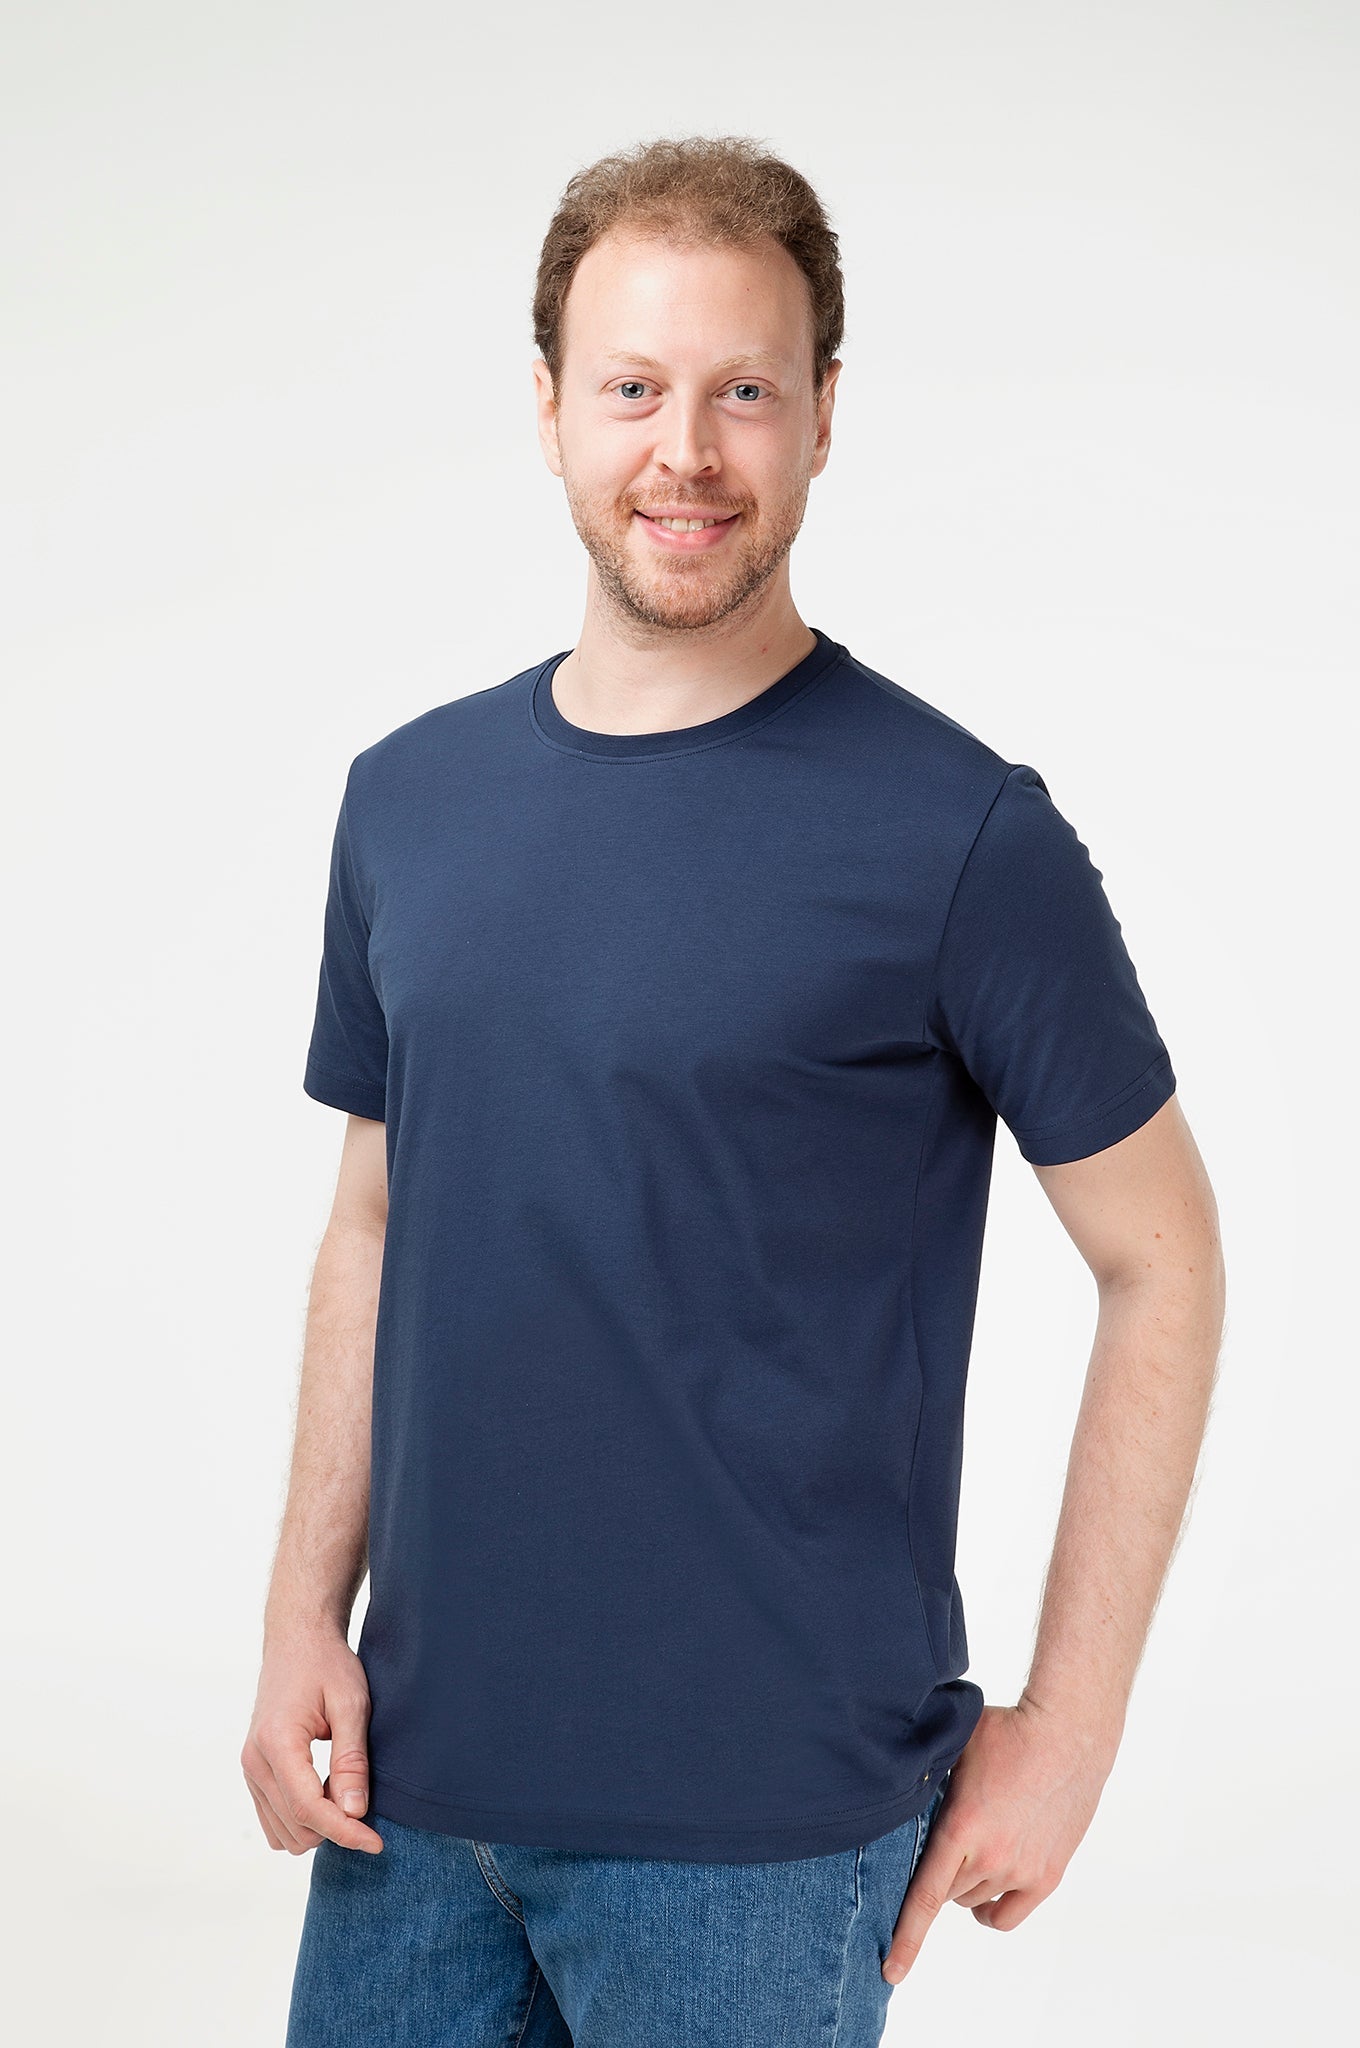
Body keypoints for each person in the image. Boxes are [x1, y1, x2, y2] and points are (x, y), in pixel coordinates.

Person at [244, 135, 1225, 2047]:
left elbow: (1163, 1260)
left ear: (823, 416)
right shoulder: (407, 802)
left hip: (762, 1846)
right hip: (408, 1803)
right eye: (631, 387)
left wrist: (1071, 1727)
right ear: (548, 407)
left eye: (742, 392)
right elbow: (374, 1221)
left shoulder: (959, 835)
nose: (682, 451)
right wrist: (300, 1613)